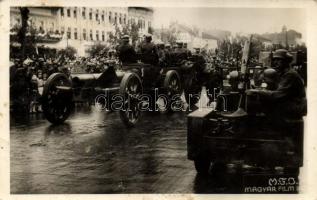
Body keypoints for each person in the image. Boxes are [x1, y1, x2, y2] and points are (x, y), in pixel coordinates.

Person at [246, 49, 306, 120]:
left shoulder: (290, 74)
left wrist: (258, 91)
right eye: (275, 60)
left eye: (279, 60)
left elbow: (277, 95)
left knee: (258, 103)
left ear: (286, 61)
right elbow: (273, 88)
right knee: (260, 99)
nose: (275, 62)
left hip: (295, 105)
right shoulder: (282, 73)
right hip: (290, 102)